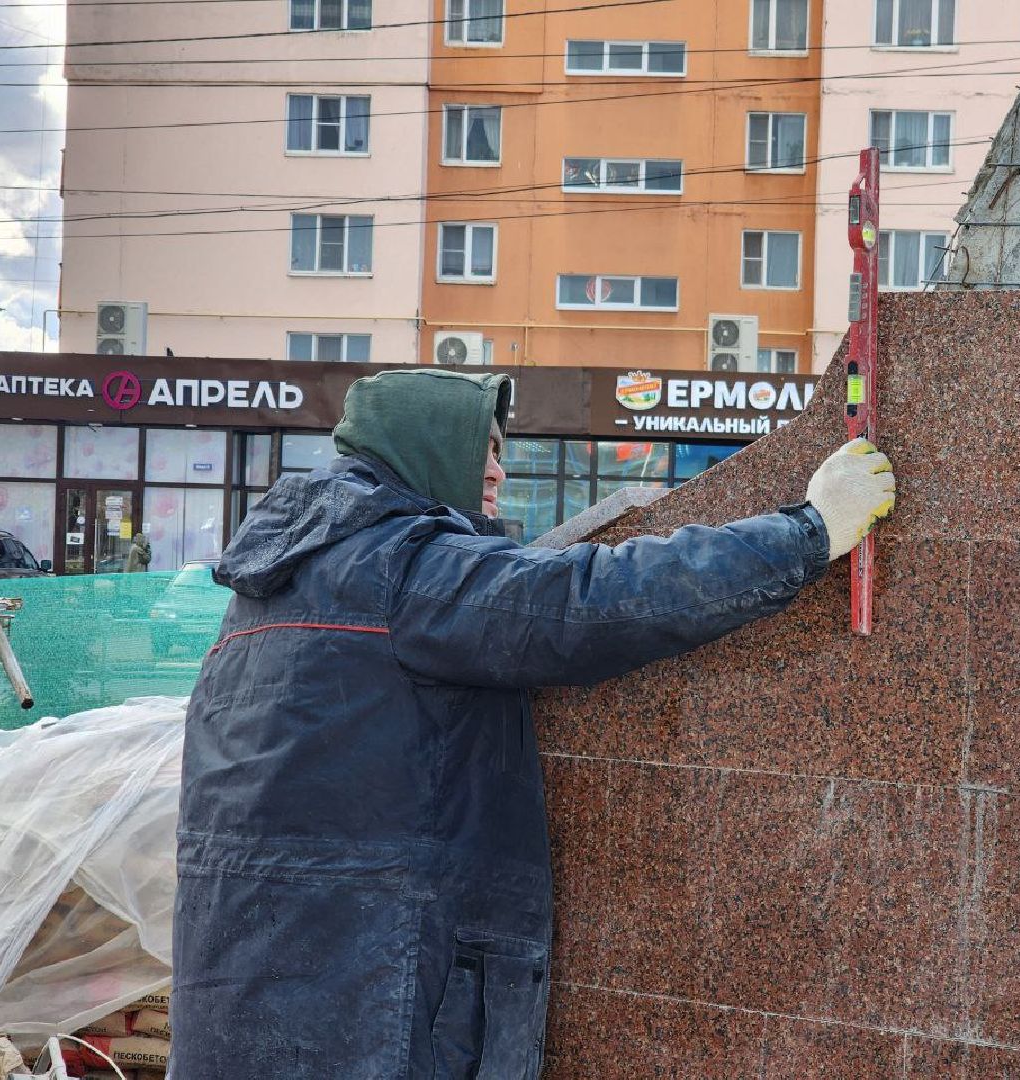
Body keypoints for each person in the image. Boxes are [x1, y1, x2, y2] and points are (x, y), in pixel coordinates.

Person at [172, 369, 895, 1078]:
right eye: (481, 449)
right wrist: (807, 532)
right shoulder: (405, 570)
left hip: (254, 997)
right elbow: (587, 600)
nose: (497, 471)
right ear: (423, 448)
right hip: (374, 1000)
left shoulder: (271, 586)